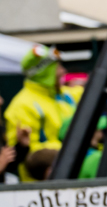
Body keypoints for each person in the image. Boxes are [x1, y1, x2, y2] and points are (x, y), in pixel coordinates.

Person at [4, 45, 76, 179]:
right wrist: (74, 147)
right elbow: (29, 156)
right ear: (45, 73)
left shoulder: (63, 95)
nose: (63, 71)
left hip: (71, 176)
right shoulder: (22, 105)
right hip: (40, 191)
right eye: (57, 67)